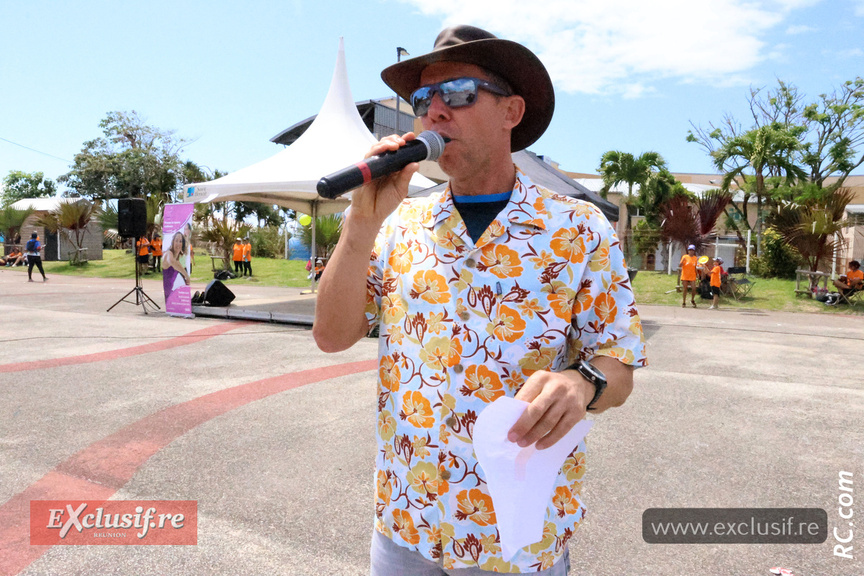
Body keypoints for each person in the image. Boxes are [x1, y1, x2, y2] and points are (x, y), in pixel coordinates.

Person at [313, 25, 646, 574]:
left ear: (512, 111)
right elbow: (331, 335)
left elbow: (621, 366)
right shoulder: (399, 222)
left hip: (514, 537)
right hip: (407, 524)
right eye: (422, 100)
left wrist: (582, 383)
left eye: (459, 93)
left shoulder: (576, 226)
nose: (435, 111)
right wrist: (360, 223)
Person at [162, 231, 191, 297]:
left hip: (169, 294)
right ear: (173, 242)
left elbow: (178, 266)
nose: (178, 243)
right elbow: (172, 262)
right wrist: (186, 275)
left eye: (180, 241)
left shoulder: (177, 261)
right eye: (176, 240)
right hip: (166, 295)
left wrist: (186, 279)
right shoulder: (168, 254)